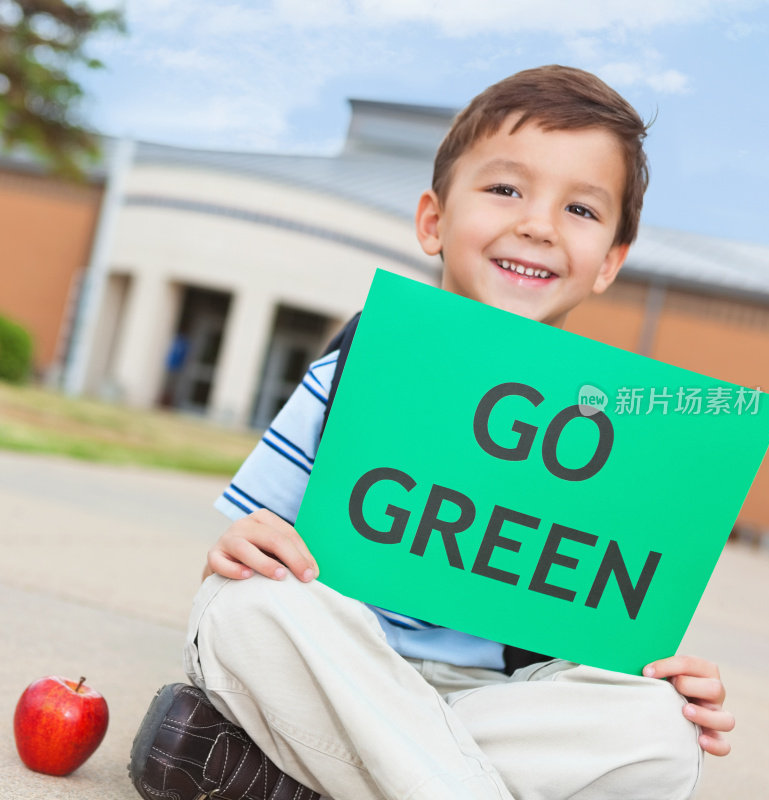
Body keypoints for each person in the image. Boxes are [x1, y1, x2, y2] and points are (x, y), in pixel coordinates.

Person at [129, 65, 735, 800]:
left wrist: (659, 675)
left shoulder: (625, 430)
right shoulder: (367, 357)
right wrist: (236, 552)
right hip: (340, 663)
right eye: (506, 189)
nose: (538, 225)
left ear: (609, 262)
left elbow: (604, 631)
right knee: (242, 610)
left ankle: (299, 782)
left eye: (581, 209)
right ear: (433, 221)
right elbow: (251, 549)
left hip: (499, 701)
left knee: (666, 731)